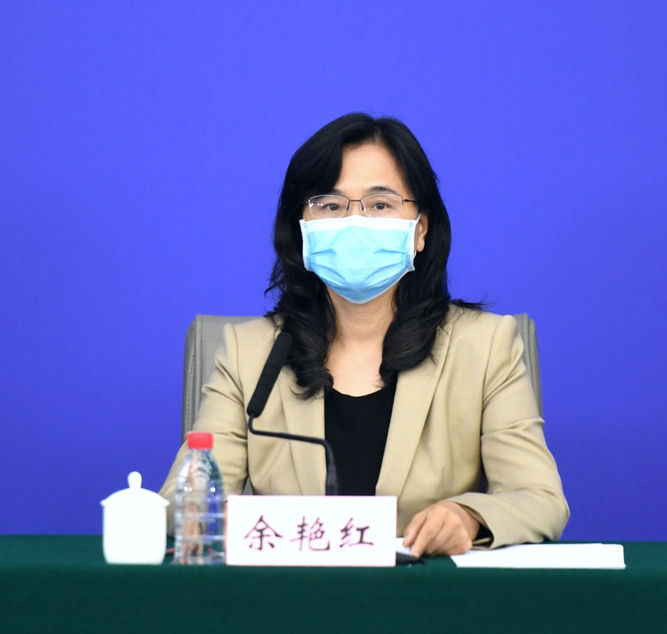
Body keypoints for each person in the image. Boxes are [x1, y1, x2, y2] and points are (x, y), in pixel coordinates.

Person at [161, 113, 568, 556]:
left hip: (423, 593)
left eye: (379, 205)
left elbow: (540, 499)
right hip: (289, 592)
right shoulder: (250, 353)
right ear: (301, 229)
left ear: (421, 229)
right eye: (331, 206)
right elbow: (183, 507)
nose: (355, 222)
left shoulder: (484, 347)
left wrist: (468, 518)